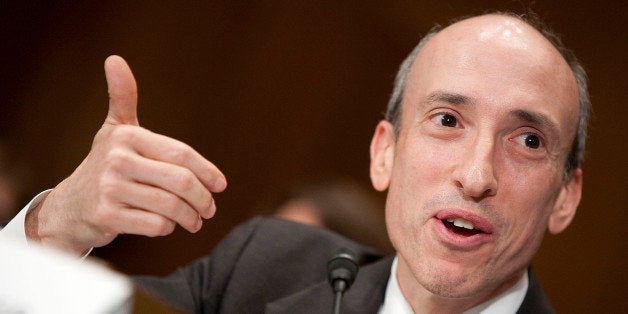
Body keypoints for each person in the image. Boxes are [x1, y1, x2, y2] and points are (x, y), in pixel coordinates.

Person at [0, 11, 589, 313]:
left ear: (564, 197)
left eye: (529, 141)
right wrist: (52, 228)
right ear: (384, 153)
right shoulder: (263, 271)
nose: (477, 175)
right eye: (447, 121)